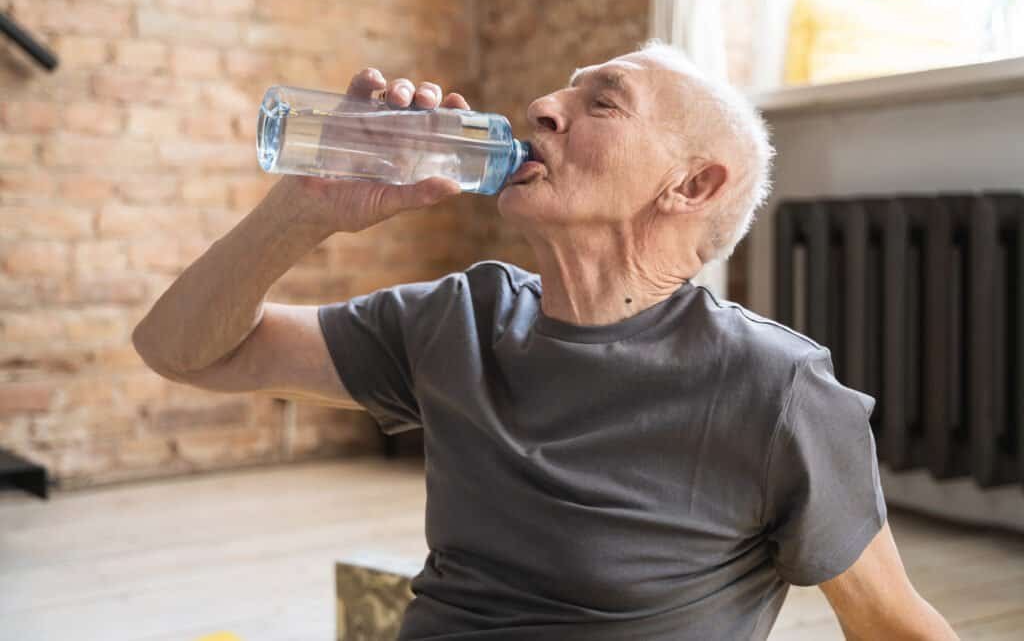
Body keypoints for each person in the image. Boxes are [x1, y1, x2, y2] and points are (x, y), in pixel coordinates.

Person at [132, 39, 959, 640]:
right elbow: (179, 349)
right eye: (564, 91)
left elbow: (895, 626)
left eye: (602, 102)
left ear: (692, 184)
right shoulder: (459, 318)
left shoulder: (775, 389)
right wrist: (305, 208)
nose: (540, 108)